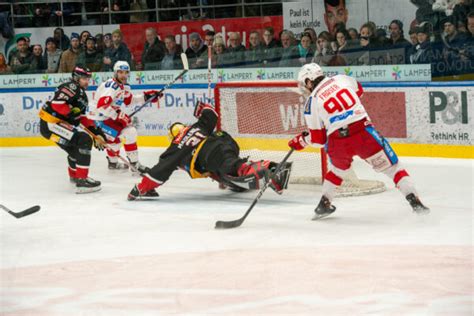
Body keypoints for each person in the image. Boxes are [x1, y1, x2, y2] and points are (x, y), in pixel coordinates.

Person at [288, 63, 429, 220]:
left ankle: (324, 204)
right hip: (363, 134)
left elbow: (319, 140)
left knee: (336, 170)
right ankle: (415, 203)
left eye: (304, 84)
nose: (304, 88)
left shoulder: (311, 102)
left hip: (338, 142)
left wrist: (301, 141)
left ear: (309, 81)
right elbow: (359, 91)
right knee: (393, 168)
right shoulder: (341, 79)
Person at [127, 102, 292, 200]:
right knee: (228, 172)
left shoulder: (177, 146)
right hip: (224, 141)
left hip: (211, 154)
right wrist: (200, 109)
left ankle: (270, 168)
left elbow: (162, 169)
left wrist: (141, 188)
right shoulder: (197, 127)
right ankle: (236, 177)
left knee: (231, 167)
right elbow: (211, 113)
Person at [38, 66, 106, 193]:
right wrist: (70, 115)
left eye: (88, 79)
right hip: (51, 123)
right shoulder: (72, 87)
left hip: (53, 125)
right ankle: (82, 180)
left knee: (76, 149)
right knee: (84, 140)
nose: (87, 81)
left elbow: (82, 117)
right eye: (84, 78)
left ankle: (75, 175)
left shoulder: (81, 94)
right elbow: (57, 104)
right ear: (76, 78)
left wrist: (96, 132)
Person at [88, 61, 159, 173]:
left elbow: (129, 100)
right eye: (120, 72)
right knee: (120, 139)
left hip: (107, 117)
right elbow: (101, 106)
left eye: (126, 72)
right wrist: (118, 116)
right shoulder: (112, 87)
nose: (123, 75)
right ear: (115, 73)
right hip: (98, 119)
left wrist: (146, 97)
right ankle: (118, 163)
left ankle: (122, 163)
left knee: (128, 133)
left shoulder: (123, 86)